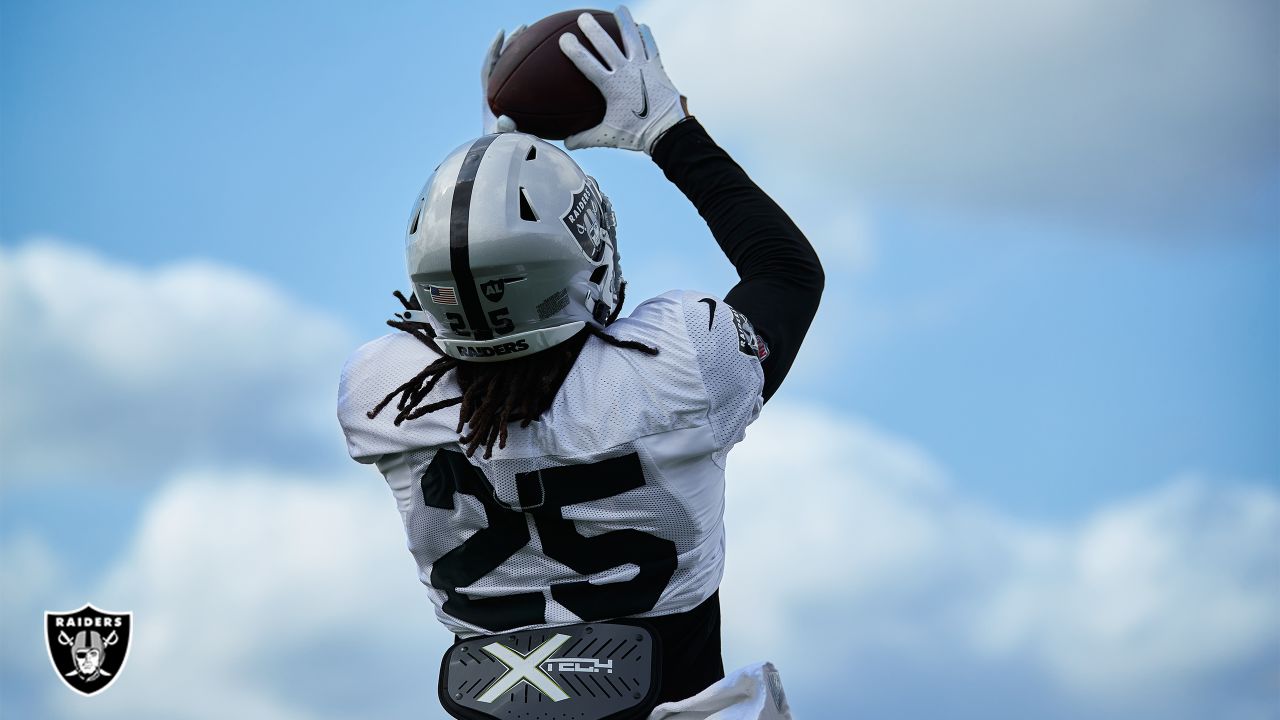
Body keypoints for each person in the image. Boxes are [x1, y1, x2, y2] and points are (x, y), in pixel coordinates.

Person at [337, 6, 822, 717]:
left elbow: (485, 311)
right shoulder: (677, 368)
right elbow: (785, 272)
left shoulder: (379, 396)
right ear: (587, 262)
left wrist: (491, 179)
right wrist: (669, 133)